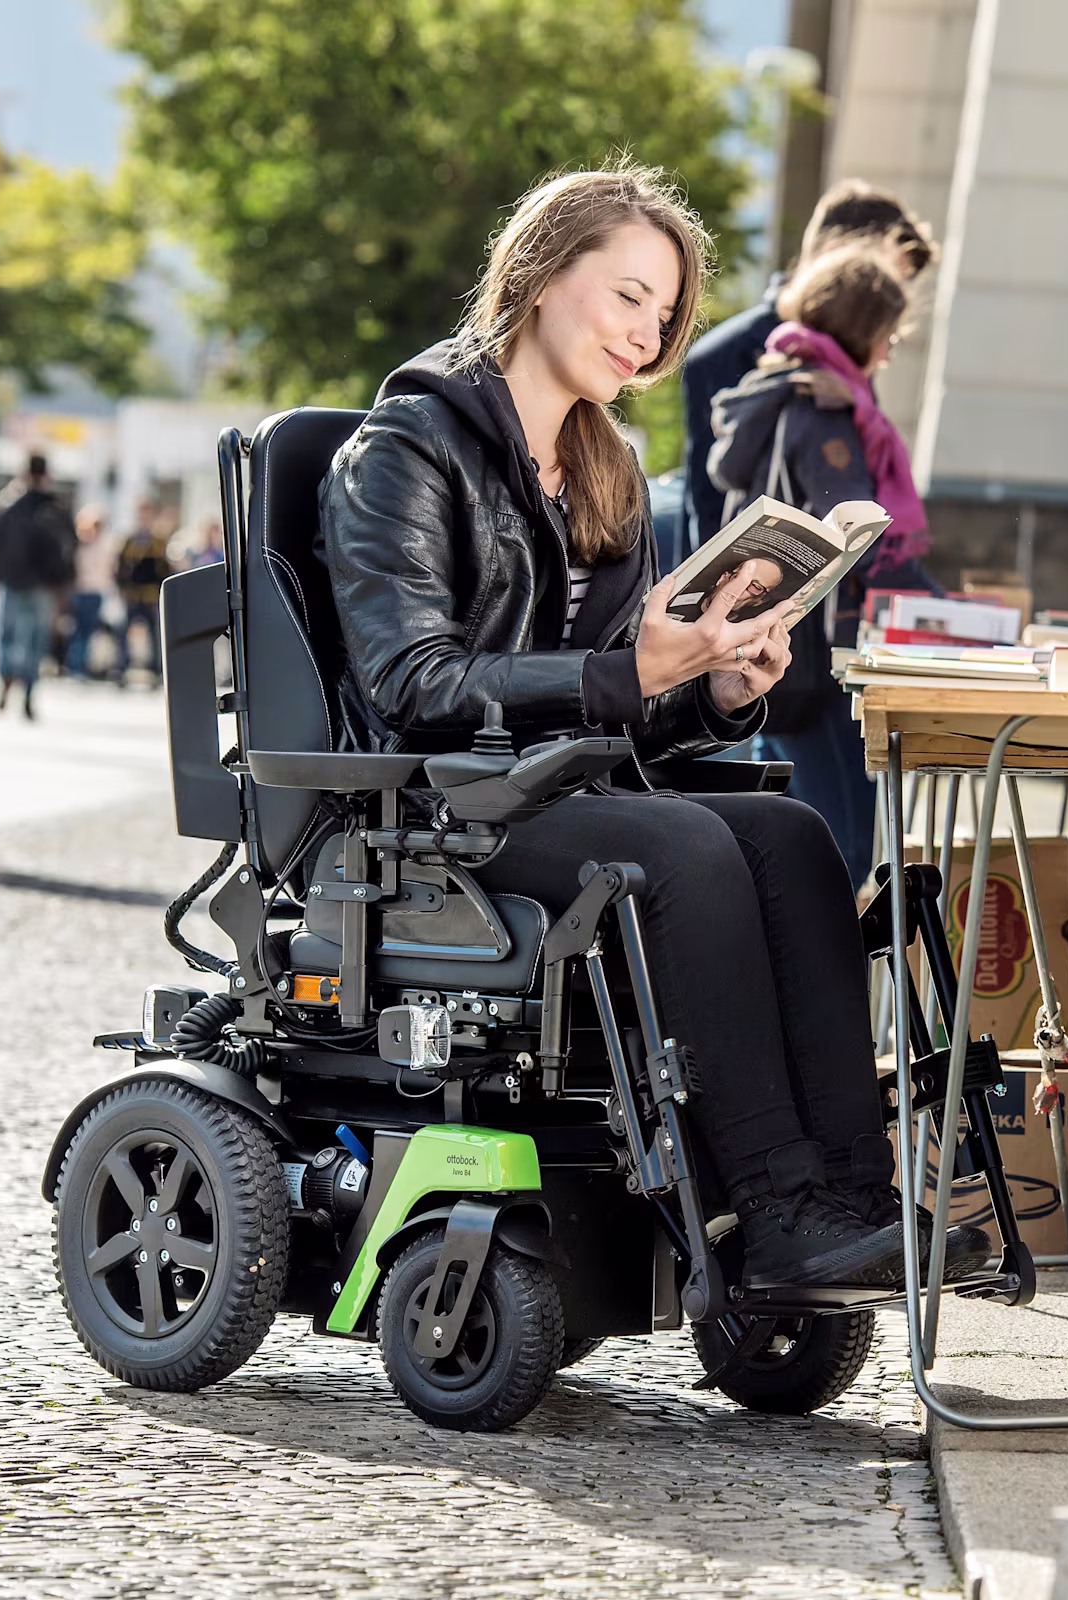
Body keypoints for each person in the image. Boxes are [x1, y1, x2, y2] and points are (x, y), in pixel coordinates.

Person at [320, 165, 988, 1291]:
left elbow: (626, 710)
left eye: (663, 312)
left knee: (790, 836)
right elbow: (410, 683)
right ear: (537, 276)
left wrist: (716, 686)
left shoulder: (603, 466)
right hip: (441, 805)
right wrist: (626, 672)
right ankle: (776, 1210)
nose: (647, 334)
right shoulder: (403, 450)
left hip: (560, 788)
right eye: (627, 296)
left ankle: (857, 1202)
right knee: (686, 851)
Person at [707, 245, 935, 891]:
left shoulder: (774, 393)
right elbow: (854, 536)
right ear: (863, 330)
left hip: (766, 653)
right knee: (846, 852)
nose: (889, 352)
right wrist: (958, 615)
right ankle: (825, 984)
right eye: (887, 335)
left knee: (778, 843)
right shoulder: (823, 411)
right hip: (823, 657)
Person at [680, 180, 934, 555]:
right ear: (833, 254)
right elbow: (709, 507)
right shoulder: (722, 354)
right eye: (878, 275)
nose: (888, 303)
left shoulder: (847, 357)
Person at [0, 453, 77, 718]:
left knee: (6, 635)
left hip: (12, 581)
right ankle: (27, 689)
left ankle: (7, 678)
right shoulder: (56, 508)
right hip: (44, 585)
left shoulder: (8, 506)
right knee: (35, 640)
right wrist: (65, 584)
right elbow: (70, 546)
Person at [114, 498, 172, 685]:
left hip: (150, 595)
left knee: (155, 635)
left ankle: (157, 671)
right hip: (133, 595)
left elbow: (164, 569)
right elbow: (121, 568)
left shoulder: (158, 542)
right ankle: (121, 668)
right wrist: (122, 588)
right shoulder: (130, 541)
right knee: (123, 632)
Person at [66, 506, 114, 680]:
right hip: (82, 592)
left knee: (86, 632)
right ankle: (75, 667)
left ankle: (80, 666)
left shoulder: (104, 545)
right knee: (80, 631)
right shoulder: (79, 545)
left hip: (95, 592)